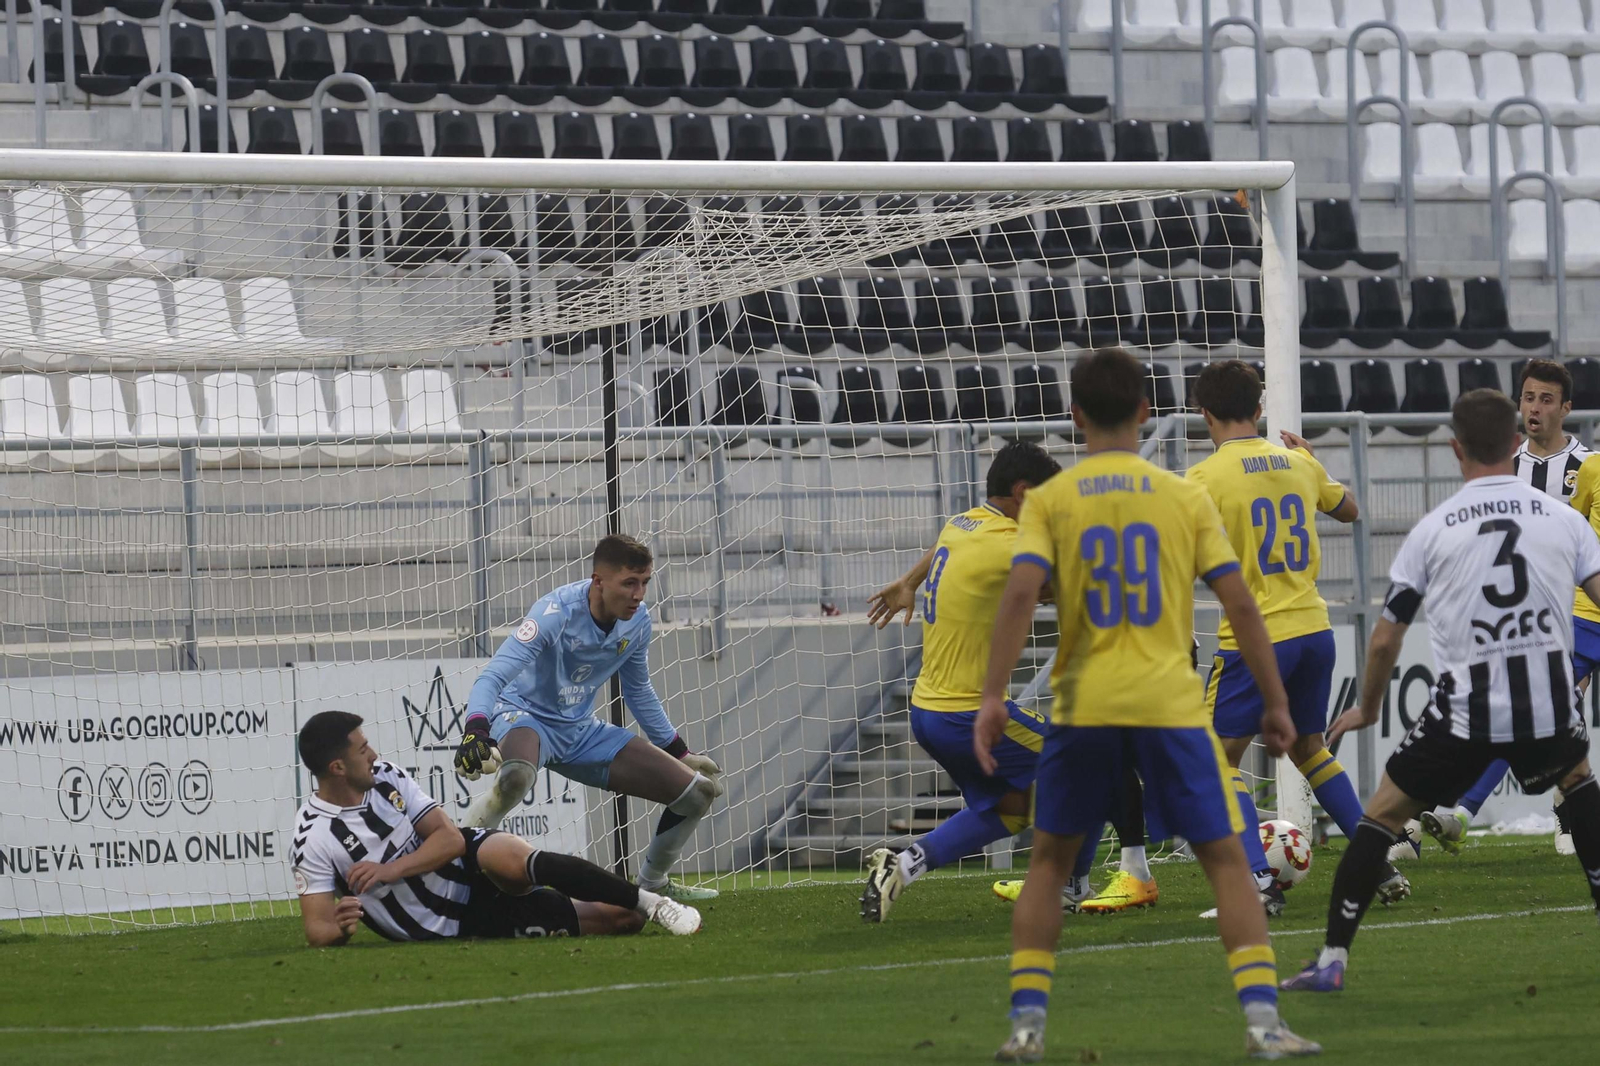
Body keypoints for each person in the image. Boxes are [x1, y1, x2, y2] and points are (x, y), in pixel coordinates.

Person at [977, 348, 1320, 1061]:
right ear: (1144, 412)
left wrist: (991, 698)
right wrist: (1278, 702)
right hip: (1168, 702)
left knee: (1048, 864)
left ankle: (1027, 1028)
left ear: (1074, 419)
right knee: (1227, 860)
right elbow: (1239, 607)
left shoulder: (1049, 502)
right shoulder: (1182, 495)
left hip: (1084, 703)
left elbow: (1017, 596)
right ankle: (1262, 1024)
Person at [1283, 389, 1600, 993]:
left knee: (1380, 817)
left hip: (1463, 714)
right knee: (1580, 786)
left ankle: (1331, 961)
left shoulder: (1433, 530)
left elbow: (1383, 640)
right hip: (1547, 704)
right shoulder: (1565, 521)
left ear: (1455, 449)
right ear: (1516, 443)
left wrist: (1369, 708)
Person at [1186, 360, 1408, 915]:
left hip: (1255, 638)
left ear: (1204, 413)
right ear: (1260, 408)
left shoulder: (1203, 480)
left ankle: (1257, 883)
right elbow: (1351, 511)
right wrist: (1312, 461)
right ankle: (1375, 864)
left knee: (1218, 761)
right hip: (1314, 627)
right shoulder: (1297, 462)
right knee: (1311, 748)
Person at [859, 441, 1107, 920]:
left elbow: (939, 550)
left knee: (1012, 808)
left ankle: (904, 865)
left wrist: (909, 580)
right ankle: (1073, 887)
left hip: (927, 712)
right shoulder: (1010, 544)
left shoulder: (964, 523)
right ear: (1021, 492)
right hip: (966, 712)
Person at [452, 535, 724, 902]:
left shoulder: (638, 622)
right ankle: (454, 875)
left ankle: (653, 882)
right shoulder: (555, 613)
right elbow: (493, 677)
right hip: (524, 716)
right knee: (516, 776)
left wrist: (678, 751)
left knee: (698, 793)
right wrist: (476, 730)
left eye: (644, 582)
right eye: (629, 583)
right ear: (599, 581)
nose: (639, 594)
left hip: (581, 731)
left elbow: (638, 690)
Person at [290, 711, 701, 946]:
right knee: (624, 921)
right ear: (337, 768)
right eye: (363, 750)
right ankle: (632, 907)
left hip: (461, 861)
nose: (373, 754)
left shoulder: (385, 775)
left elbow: (450, 839)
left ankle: (654, 901)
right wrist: (340, 928)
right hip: (454, 921)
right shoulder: (314, 837)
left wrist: (389, 870)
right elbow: (317, 928)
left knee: (514, 857)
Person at [1423, 360, 1591, 857]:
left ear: (1566, 408)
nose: (1534, 408)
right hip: (1525, 616)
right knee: (1542, 704)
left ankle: (1464, 813)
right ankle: (1561, 813)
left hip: (1581, 608)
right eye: (1528, 397)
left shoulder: (1590, 467)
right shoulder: (1504, 465)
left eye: (1545, 400)